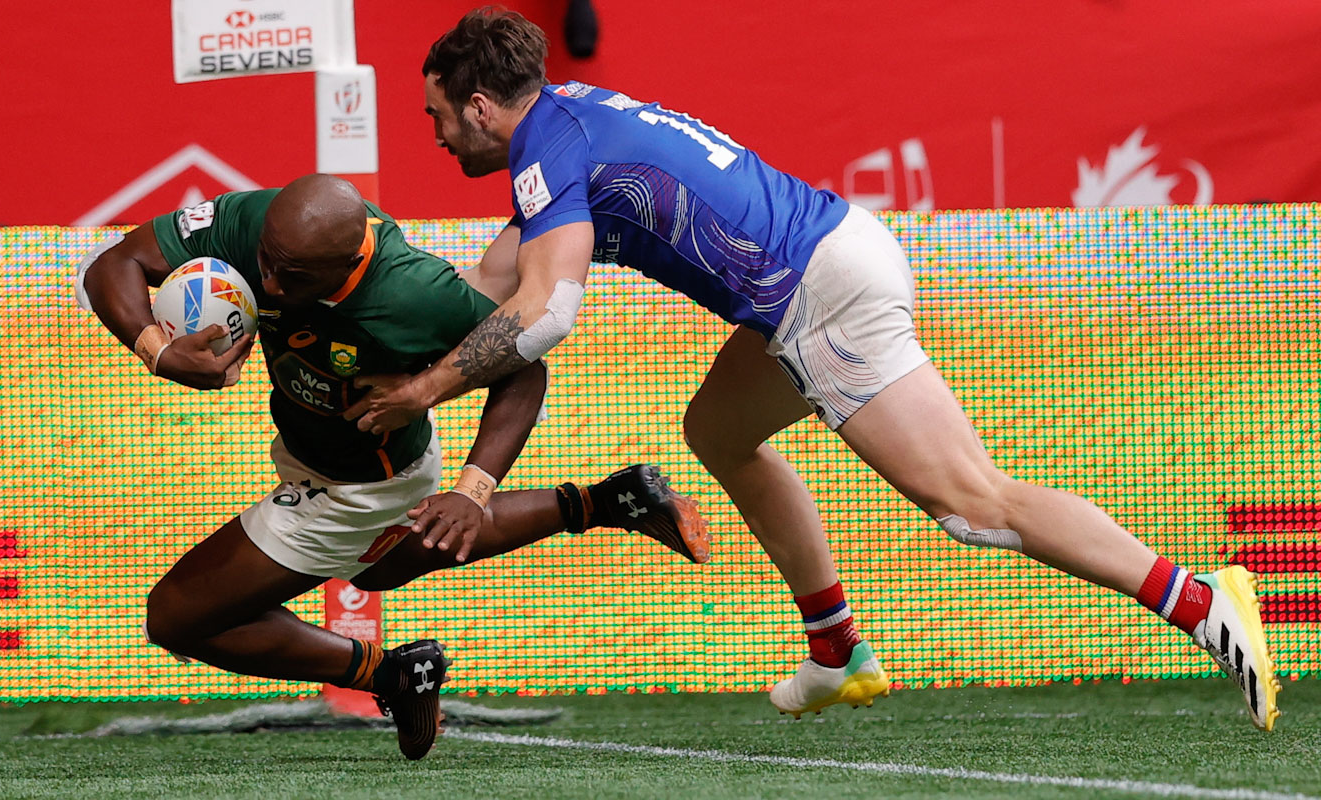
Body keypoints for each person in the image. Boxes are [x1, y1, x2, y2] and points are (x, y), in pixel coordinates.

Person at [343, 8, 1280, 730]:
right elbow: (486, 287)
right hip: (813, 273)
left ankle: (1203, 602)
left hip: (819, 294)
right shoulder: (563, 127)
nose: (433, 136)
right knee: (716, 430)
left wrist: (426, 394)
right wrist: (354, 336)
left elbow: (544, 314)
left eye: (434, 116)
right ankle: (836, 647)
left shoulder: (549, 147)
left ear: (476, 106)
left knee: (972, 504)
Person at [76, 174, 712, 760]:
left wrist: (473, 488)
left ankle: (388, 674)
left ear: (348, 263)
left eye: (290, 277)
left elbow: (523, 368)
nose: (268, 285)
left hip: (354, 487)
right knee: (384, 567)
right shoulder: (258, 222)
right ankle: (609, 500)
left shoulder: (412, 292)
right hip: (334, 457)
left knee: (177, 617)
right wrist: (158, 352)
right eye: (265, 263)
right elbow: (116, 264)